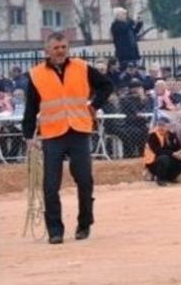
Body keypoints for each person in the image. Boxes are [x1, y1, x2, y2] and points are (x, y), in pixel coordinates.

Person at [22, 32, 114, 244]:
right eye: (56, 48)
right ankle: (55, 231)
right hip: (52, 134)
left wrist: (94, 105)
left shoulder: (82, 67)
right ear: (47, 51)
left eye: (63, 47)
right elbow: (31, 108)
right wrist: (28, 135)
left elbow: (106, 86)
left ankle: (84, 224)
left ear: (68, 48)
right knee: (50, 185)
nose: (60, 51)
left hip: (79, 131)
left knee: (84, 180)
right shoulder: (36, 74)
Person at [142, 115, 181, 186]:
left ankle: (171, 177)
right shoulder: (153, 135)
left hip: (169, 156)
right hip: (154, 162)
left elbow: (178, 146)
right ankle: (160, 179)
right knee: (164, 158)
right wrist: (173, 153)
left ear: (168, 126)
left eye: (163, 125)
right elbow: (158, 151)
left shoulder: (171, 134)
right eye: (159, 125)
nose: (161, 127)